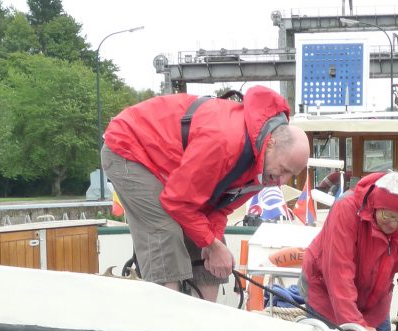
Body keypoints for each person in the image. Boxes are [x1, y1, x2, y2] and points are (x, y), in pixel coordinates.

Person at [102, 86, 310, 301]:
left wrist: (212, 244)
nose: (281, 182)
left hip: (172, 167)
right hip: (129, 148)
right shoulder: (224, 142)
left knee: (213, 240)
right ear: (271, 145)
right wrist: (211, 244)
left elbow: (220, 208)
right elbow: (177, 202)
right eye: (284, 169)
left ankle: (207, 319)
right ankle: (166, 321)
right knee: (165, 231)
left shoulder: (263, 169)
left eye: (290, 176)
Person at [300, 170, 398, 331]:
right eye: (388, 216)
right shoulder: (346, 210)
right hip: (326, 300)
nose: (394, 224)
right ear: (376, 205)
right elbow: (339, 272)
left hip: (374, 307)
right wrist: (355, 323)